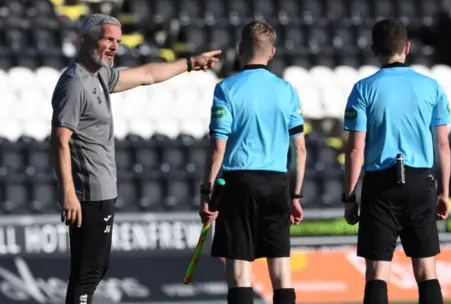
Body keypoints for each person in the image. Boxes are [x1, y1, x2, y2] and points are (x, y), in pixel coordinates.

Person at [50, 13, 221, 304]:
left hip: (103, 191)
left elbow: (146, 75)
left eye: (118, 41)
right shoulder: (75, 83)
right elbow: (59, 140)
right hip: (88, 194)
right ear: (85, 38)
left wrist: (190, 63)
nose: (115, 46)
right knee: (87, 273)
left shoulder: (99, 74)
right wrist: (68, 193)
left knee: (95, 269)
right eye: (108, 39)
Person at [342, 19, 451, 304]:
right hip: (421, 181)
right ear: (408, 47)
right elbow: (443, 144)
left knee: (378, 271)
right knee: (426, 269)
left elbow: (355, 149)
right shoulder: (431, 87)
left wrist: (350, 196)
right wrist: (445, 192)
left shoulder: (363, 89)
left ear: (374, 49)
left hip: (381, 184)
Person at [200, 21, 306, 304]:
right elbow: (300, 149)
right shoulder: (286, 90)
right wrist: (295, 195)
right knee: (281, 267)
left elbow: (217, 147)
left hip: (239, 182)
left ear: (241, 48)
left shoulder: (226, 88)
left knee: (239, 266)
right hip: (277, 183)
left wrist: (206, 191)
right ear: (271, 53)